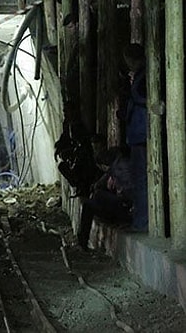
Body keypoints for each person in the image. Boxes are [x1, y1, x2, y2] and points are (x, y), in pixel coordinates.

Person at [77, 147, 133, 250]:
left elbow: (127, 195)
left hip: (124, 210)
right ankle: (82, 242)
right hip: (122, 207)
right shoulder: (115, 169)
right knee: (89, 204)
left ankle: (82, 242)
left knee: (96, 197)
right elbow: (98, 184)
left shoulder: (119, 168)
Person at [123, 43, 147, 232]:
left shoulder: (145, 77)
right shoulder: (140, 76)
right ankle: (140, 220)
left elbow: (144, 99)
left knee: (142, 180)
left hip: (142, 135)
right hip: (138, 134)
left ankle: (142, 222)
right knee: (140, 179)